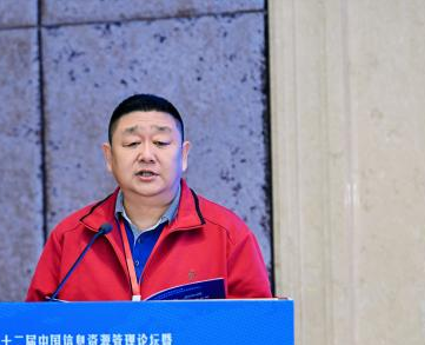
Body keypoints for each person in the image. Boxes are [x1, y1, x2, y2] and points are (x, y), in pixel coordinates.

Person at [25, 94, 272, 301]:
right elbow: (36, 329)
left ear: (184, 155)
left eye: (161, 142)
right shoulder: (71, 237)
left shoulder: (227, 235)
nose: (146, 155)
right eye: (132, 143)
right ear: (109, 157)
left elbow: (258, 330)